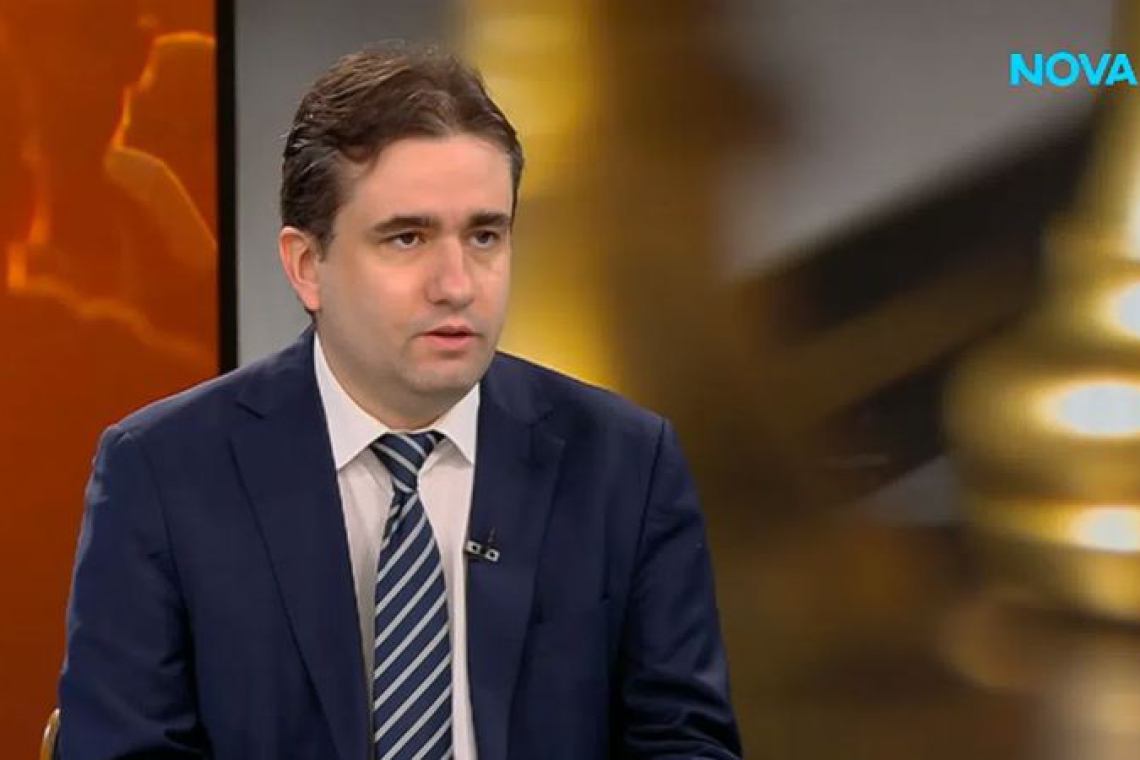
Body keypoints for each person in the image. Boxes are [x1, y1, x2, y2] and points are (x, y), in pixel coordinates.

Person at [58, 43, 742, 760]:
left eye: (484, 235)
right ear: (306, 265)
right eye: (408, 238)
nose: (457, 284)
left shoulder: (626, 465)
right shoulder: (162, 474)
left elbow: (684, 745)